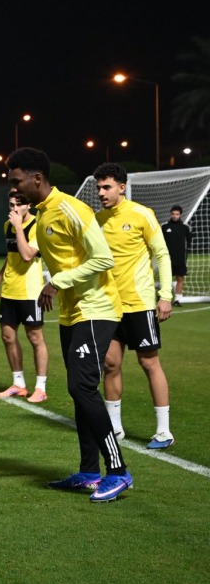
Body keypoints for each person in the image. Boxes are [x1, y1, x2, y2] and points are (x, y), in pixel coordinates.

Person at [6, 147, 130, 503]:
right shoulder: (42, 215)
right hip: (72, 312)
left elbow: (103, 258)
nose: (13, 189)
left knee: (82, 387)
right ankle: (90, 472)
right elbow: (36, 256)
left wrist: (56, 282)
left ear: (37, 179)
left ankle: (119, 471)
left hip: (98, 308)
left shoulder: (70, 209)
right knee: (78, 392)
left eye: (17, 182)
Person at [93, 163, 174, 450]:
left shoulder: (142, 214)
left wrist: (165, 295)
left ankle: (163, 431)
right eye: (98, 187)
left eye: (107, 187)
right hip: (109, 306)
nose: (101, 192)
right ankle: (115, 428)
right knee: (110, 364)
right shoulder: (97, 220)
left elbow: (162, 255)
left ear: (122, 187)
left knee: (149, 362)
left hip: (139, 303)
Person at [0, 193, 49, 402]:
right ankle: (19, 383)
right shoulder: (8, 226)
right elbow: (12, 256)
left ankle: (40, 388)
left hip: (31, 292)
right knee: (8, 336)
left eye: (19, 205)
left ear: (29, 205)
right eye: (11, 205)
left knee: (35, 338)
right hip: (10, 290)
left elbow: (27, 254)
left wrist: (19, 227)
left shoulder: (37, 225)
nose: (14, 209)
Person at [161, 206, 192, 306]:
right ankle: (166, 299)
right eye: (173, 214)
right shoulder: (164, 227)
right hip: (167, 258)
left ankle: (177, 300)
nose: (175, 216)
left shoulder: (185, 227)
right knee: (166, 279)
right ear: (170, 214)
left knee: (180, 279)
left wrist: (186, 254)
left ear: (180, 215)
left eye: (177, 214)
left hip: (180, 258)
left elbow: (189, 242)